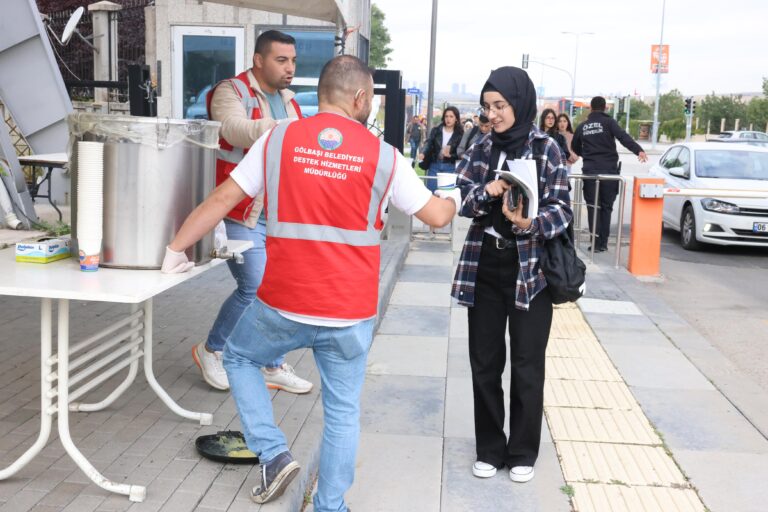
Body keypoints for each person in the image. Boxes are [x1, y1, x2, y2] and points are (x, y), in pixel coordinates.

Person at [160, 55, 460, 511]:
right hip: (351, 310)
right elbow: (436, 218)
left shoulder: (278, 140)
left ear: (319, 94)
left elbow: (224, 198)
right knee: (342, 412)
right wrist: (453, 197)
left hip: (284, 303)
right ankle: (331, 507)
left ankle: (273, 452)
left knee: (238, 357)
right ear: (361, 98)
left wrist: (176, 249)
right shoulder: (384, 157)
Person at [451, 67, 572, 484]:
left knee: (526, 364)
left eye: (500, 105)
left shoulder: (548, 148)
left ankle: (522, 451)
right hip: (484, 262)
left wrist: (528, 223)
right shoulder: (482, 146)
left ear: (520, 104)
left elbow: (563, 210)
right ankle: (489, 448)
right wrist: (489, 191)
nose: (493, 114)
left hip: (531, 269)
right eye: (487, 106)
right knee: (484, 362)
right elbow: (462, 200)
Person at [197, 29, 313, 393]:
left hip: (277, 217)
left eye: (293, 60)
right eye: (281, 60)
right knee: (254, 288)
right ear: (258, 60)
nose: (290, 68)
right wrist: (285, 129)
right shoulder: (231, 91)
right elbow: (234, 129)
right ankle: (211, 350)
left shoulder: (289, 100)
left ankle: (270, 362)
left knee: (278, 291)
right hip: (239, 213)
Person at [572, 96, 648, 252]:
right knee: (606, 208)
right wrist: (638, 150)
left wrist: (586, 154)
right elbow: (623, 137)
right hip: (609, 172)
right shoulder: (609, 123)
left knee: (593, 207)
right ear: (605, 107)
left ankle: (594, 242)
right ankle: (603, 244)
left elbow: (575, 146)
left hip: (591, 172)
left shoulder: (583, 126)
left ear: (591, 108)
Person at [419, 106, 464, 192]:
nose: (448, 119)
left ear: (456, 119)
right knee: (431, 192)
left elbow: (461, 153)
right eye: (446, 116)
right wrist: (423, 153)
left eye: (451, 116)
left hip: (450, 167)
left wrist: (450, 155)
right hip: (434, 165)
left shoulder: (460, 134)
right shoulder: (436, 130)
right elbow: (429, 143)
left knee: (446, 194)